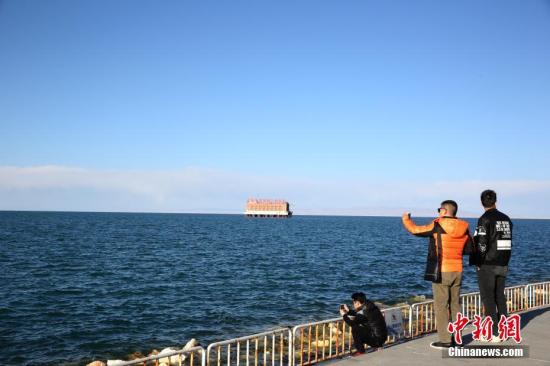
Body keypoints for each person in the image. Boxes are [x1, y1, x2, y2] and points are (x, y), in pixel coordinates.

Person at [402, 200, 473, 349]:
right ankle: (458, 339)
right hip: (458, 270)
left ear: (444, 211)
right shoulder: (464, 226)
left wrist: (406, 219)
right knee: (455, 305)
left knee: (441, 306)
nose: (438, 212)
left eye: (439, 209)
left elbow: (416, 230)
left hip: (442, 270)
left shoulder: (438, 224)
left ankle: (446, 340)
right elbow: (469, 248)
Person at [473, 190, 513, 342]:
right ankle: (505, 330)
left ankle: (494, 333)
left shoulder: (484, 219)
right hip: (503, 263)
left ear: (482, 202)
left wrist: (478, 261)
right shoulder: (506, 219)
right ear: (496, 200)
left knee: (488, 298)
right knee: (500, 297)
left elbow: (482, 244)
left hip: (488, 265)